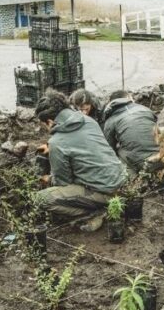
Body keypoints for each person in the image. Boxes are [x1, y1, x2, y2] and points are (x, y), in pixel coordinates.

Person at [33, 92, 127, 230]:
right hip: (121, 180)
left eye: (44, 125)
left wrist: (47, 178)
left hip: (104, 191)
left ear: (50, 122)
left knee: (40, 199)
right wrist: (52, 147)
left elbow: (63, 182)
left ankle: (95, 212)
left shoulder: (57, 142)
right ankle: (103, 205)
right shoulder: (89, 121)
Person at [102, 90, 160, 174]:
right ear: (128, 98)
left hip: (143, 163)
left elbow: (109, 150)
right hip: (163, 155)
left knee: (118, 149)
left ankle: (131, 175)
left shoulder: (110, 121)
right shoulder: (144, 109)